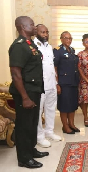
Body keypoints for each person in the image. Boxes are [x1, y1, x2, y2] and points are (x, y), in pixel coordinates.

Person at [9, 16, 48, 169]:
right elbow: (16, 73)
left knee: (32, 124)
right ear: (23, 27)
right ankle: (24, 159)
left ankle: (31, 150)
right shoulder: (19, 46)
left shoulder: (30, 44)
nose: (34, 26)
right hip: (24, 92)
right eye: (31, 24)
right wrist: (25, 97)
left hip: (34, 90)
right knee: (24, 125)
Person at [34, 24, 61, 148]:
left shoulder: (49, 47)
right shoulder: (33, 46)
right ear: (36, 32)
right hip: (40, 85)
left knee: (51, 109)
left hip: (51, 84)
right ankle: (40, 136)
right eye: (42, 32)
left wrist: (56, 83)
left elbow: (51, 67)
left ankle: (49, 131)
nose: (45, 34)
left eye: (47, 32)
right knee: (39, 111)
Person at [54, 31, 80, 134]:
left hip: (73, 81)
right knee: (64, 106)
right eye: (66, 38)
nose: (68, 40)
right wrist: (57, 84)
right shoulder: (57, 51)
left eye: (70, 38)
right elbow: (54, 68)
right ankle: (65, 126)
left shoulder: (72, 50)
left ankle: (71, 124)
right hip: (63, 83)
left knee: (72, 104)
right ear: (61, 39)